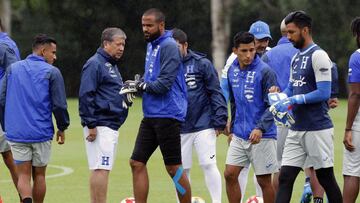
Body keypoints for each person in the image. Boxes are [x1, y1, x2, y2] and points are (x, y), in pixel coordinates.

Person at [271, 11, 342, 203]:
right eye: (287, 32)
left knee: (326, 178)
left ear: (305, 30)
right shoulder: (296, 57)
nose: (288, 37)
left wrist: (295, 100)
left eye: (292, 32)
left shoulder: (319, 55)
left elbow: (324, 92)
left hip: (317, 128)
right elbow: (291, 87)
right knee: (285, 177)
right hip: (296, 128)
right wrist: (279, 97)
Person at [127, 8, 191, 203]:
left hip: (168, 114)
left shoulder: (170, 46)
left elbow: (163, 85)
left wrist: (141, 86)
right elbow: (150, 77)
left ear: (161, 25)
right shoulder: (151, 45)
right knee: (136, 162)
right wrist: (134, 86)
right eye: (143, 25)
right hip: (151, 114)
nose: (145, 29)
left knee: (173, 168)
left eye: (149, 25)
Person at [0, 34, 69, 203]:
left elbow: (1, 99)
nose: (55, 56)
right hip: (41, 133)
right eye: (53, 52)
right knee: (39, 175)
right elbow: (59, 105)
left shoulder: (13, 69)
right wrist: (62, 127)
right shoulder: (53, 72)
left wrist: (6, 124)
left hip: (17, 133)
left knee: (23, 175)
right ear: (43, 51)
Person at [172, 28, 228, 203]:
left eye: (176, 47)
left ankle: (216, 201)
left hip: (204, 124)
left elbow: (215, 92)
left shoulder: (201, 63)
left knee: (209, 164)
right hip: (178, 127)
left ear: (185, 45)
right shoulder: (167, 66)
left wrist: (220, 120)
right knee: (180, 170)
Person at [220, 20, 273, 202]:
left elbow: (272, 105)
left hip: (262, 135)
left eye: (251, 50)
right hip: (240, 134)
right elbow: (234, 101)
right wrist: (232, 124)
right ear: (235, 51)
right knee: (230, 174)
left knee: (264, 181)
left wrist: (260, 128)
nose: (249, 55)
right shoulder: (232, 70)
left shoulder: (265, 71)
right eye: (244, 51)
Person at [79, 27, 131, 203]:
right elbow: (86, 95)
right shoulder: (95, 63)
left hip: (108, 124)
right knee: (101, 168)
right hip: (101, 124)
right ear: (106, 44)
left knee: (99, 167)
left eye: (123, 44)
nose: (122, 48)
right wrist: (91, 124)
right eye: (118, 44)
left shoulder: (110, 65)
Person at [262, 18, 298, 193]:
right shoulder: (309, 51)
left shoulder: (269, 55)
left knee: (280, 164)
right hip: (306, 113)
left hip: (280, 115)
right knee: (314, 167)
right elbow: (331, 68)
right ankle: (315, 195)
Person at [0, 18, 21, 200]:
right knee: (9, 156)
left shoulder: (4, 45)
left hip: (3, 109)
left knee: (10, 156)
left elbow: (13, 75)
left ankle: (25, 197)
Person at [343, 16, 360, 203]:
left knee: (352, 172)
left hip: (359, 123)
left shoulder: (357, 57)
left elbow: (356, 94)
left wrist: (348, 128)